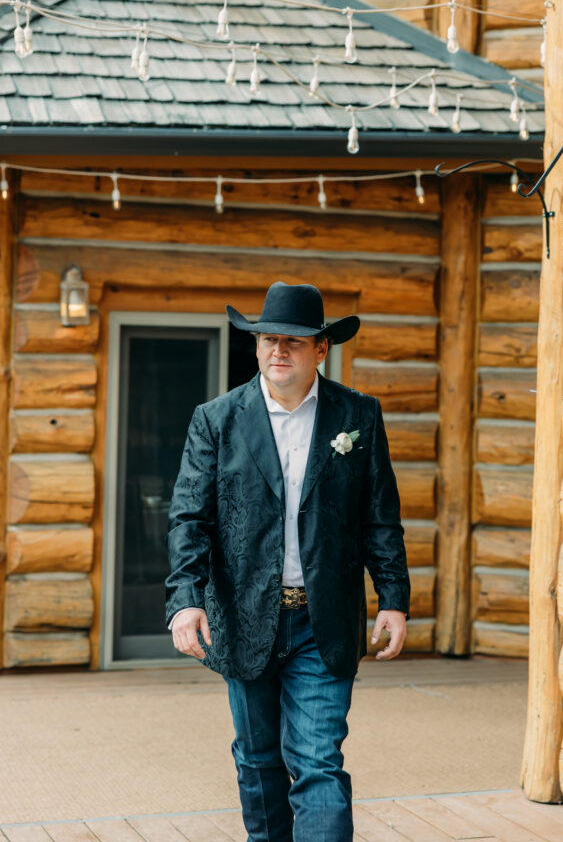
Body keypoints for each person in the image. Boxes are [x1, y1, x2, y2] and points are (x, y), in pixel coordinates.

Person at [165, 281, 410, 842]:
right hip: (244, 615)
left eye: (294, 342)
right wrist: (185, 602)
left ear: (321, 349)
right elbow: (189, 520)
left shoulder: (358, 417)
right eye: (269, 340)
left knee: (319, 760)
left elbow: (380, 518)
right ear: (255, 347)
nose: (279, 351)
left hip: (323, 621)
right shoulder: (216, 420)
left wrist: (393, 599)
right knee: (257, 760)